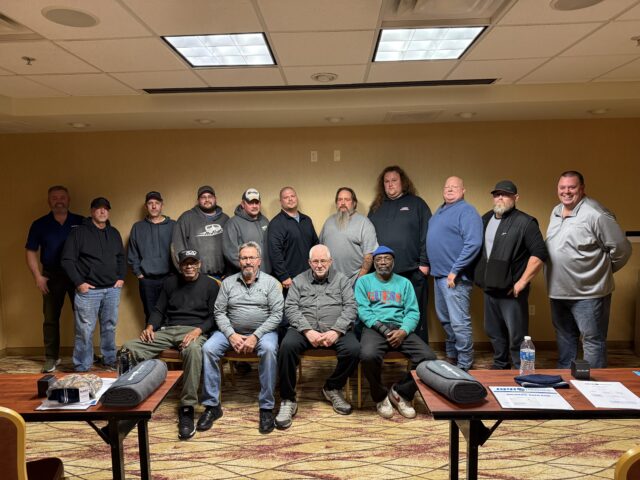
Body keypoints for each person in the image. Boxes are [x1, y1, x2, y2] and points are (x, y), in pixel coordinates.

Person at [122, 249, 219, 440]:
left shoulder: (210, 284)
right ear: (180, 265)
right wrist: (150, 326)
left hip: (194, 330)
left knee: (193, 350)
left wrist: (198, 331)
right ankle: (130, 397)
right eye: (185, 263)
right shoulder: (170, 282)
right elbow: (159, 310)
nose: (189, 266)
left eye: (193, 263)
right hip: (168, 330)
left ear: (199, 264)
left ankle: (187, 406)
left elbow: (214, 317)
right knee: (129, 347)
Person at [546, 171, 631, 368]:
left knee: (592, 341)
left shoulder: (596, 214)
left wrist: (602, 272)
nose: (566, 191)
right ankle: (569, 384)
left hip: (588, 294)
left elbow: (623, 249)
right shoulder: (556, 210)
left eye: (572, 187)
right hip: (558, 292)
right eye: (562, 187)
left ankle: (594, 386)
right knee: (566, 338)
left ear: (582, 189)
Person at [200, 242, 283, 434]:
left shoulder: (271, 283)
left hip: (263, 332)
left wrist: (256, 335)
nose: (248, 262)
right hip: (231, 331)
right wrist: (230, 334)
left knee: (270, 350)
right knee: (208, 348)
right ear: (239, 261)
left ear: (259, 261)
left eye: (251, 258)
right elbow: (219, 312)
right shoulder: (228, 283)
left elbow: (277, 315)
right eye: (244, 258)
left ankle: (266, 407)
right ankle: (212, 406)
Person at [275, 245, 359, 429]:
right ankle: (288, 399)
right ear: (309, 263)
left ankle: (332, 387)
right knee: (286, 347)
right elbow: (290, 308)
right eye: (315, 261)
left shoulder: (342, 280)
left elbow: (351, 307)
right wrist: (307, 330)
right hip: (304, 330)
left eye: (323, 261)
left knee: (354, 349)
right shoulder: (298, 280)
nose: (319, 265)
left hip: (335, 330)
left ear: (330, 262)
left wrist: (336, 330)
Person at [474, 180, 548, 370]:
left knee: (517, 335)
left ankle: (520, 369)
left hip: (511, 292)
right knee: (493, 332)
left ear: (516, 198)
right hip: (489, 289)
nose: (500, 197)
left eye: (505, 194)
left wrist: (522, 282)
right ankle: (500, 366)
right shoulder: (485, 218)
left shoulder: (526, 222)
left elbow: (539, 254)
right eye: (497, 194)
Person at [356, 246, 436, 419]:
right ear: (374, 263)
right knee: (367, 355)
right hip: (375, 328)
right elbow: (363, 311)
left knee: (428, 358)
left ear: (393, 261)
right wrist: (384, 330)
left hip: (400, 328)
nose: (383, 262)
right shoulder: (364, 282)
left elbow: (413, 312)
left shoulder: (404, 283)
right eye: (379, 259)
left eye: (387, 258)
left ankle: (401, 392)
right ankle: (380, 396)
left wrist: (403, 331)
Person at [61, 197, 125, 372]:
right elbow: (67, 260)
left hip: (112, 289)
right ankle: (82, 365)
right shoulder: (79, 232)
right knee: (84, 330)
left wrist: (121, 277)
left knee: (109, 327)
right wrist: (79, 283)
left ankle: (110, 359)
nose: (102, 211)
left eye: (106, 208)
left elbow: (121, 257)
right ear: (92, 211)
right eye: (98, 208)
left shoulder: (114, 233)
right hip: (89, 291)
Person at [368, 166, 432, 342]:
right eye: (386, 181)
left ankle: (418, 361)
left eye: (394, 180)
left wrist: (424, 265)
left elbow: (428, 235)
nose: (390, 184)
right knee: (385, 316)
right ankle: (384, 353)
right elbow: (368, 238)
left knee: (414, 316)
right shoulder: (376, 207)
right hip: (383, 276)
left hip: (413, 272)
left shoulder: (417, 204)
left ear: (403, 182)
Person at [25, 185, 84, 373]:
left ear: (69, 200)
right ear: (48, 201)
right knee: (50, 318)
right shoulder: (39, 224)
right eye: (54, 198)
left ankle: (83, 355)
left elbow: (91, 248)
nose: (59, 201)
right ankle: (51, 357)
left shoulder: (81, 222)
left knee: (83, 318)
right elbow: (31, 251)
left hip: (77, 276)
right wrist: (38, 277)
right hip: (51, 276)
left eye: (62, 197)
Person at [426, 176, 482, 371]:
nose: (450, 189)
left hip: (454, 278)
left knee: (459, 323)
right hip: (439, 276)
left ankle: (465, 363)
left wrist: (455, 270)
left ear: (463, 190)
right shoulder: (440, 210)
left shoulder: (467, 211)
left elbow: (473, 243)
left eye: (455, 187)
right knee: (446, 320)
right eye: (447, 186)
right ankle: (452, 356)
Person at [127, 191, 176, 323]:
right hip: (147, 280)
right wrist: (139, 274)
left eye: (157, 203)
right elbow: (132, 253)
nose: (154, 206)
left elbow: (179, 250)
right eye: (150, 203)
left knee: (170, 314)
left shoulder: (173, 225)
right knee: (150, 314)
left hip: (169, 278)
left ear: (162, 205)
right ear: (146, 207)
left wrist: (175, 275)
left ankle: (167, 343)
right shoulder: (138, 227)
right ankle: (151, 343)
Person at [319, 187, 378, 286]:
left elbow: (369, 256)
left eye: (347, 200)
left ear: (354, 203)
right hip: (329, 281)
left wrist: (359, 280)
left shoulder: (364, 223)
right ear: (336, 203)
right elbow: (321, 248)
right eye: (339, 199)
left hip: (353, 282)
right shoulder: (329, 221)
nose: (342, 203)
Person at [268, 186, 318, 291]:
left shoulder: (306, 220)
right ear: (281, 201)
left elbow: (315, 246)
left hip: (310, 276)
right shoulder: (276, 223)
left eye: (293, 196)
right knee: (292, 307)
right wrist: (284, 276)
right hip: (290, 280)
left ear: (297, 198)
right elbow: (274, 252)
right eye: (286, 197)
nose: (290, 199)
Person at [172, 185, 229, 278]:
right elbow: (177, 247)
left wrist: (229, 272)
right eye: (203, 197)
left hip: (222, 276)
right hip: (196, 277)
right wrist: (184, 272)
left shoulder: (225, 219)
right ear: (198, 200)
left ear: (215, 199)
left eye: (210, 197)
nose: (207, 200)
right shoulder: (186, 218)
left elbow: (231, 248)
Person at [223, 188, 270, 274]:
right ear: (243, 204)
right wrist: (250, 270)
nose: (254, 206)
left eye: (257, 202)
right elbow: (231, 254)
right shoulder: (232, 223)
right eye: (250, 203)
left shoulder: (265, 221)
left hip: (266, 275)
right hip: (246, 275)